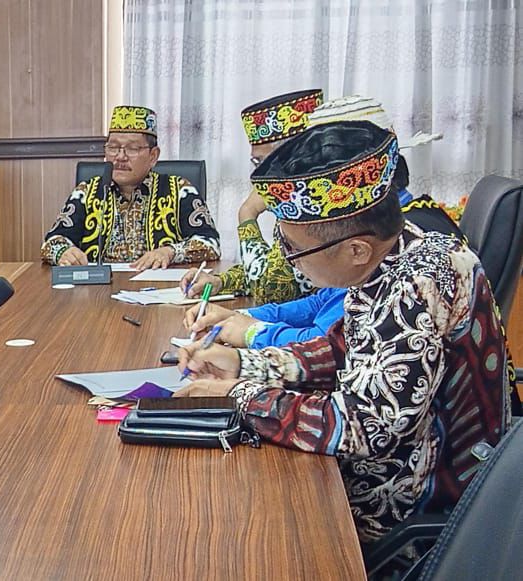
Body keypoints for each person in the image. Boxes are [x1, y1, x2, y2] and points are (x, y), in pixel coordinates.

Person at [175, 121, 514, 545]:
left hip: (414, 510)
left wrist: (240, 395)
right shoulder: (402, 247)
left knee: (229, 530)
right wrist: (247, 363)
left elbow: (361, 428)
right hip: (385, 472)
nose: (288, 259)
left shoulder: (417, 287)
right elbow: (345, 346)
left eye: (293, 249)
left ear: (356, 249)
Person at [180, 96, 463, 348]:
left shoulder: (406, 264)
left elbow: (331, 350)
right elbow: (325, 304)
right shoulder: (385, 226)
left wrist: (254, 334)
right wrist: (243, 318)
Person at [41, 105, 221, 269]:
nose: (120, 157)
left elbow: (210, 243)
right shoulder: (87, 192)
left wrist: (169, 252)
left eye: (132, 149)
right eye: (113, 147)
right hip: (97, 293)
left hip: (158, 291)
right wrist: (63, 252)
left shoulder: (179, 190)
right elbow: (52, 241)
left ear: (153, 156)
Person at [213, 89, 324, 304]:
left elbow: (271, 290)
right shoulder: (292, 198)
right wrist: (221, 281)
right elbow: (273, 268)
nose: (257, 174)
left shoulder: (317, 203)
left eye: (261, 162)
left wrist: (247, 214)